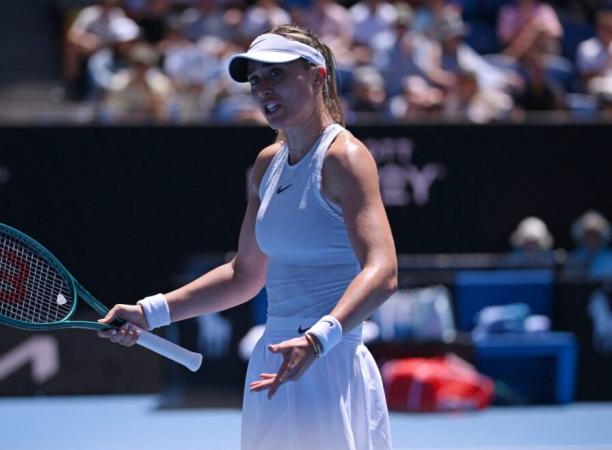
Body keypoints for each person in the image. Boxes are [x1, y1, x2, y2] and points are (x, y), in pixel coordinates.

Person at [97, 24, 397, 450]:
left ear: (317, 76)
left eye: (276, 74)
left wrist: (317, 338)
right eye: (255, 79)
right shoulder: (265, 165)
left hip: (329, 363)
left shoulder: (345, 158)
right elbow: (244, 275)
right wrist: (149, 313)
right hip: (272, 364)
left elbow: (383, 271)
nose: (262, 89)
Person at [564, 210, 612, 279]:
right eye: (588, 235)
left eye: (595, 236)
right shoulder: (573, 258)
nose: (591, 239)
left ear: (602, 237)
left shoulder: (610, 258)